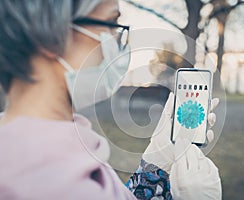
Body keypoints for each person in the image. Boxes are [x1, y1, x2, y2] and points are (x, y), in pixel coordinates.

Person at [0, 0, 221, 199]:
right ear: (48, 38)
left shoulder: (30, 146)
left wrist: (157, 163)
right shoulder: (48, 182)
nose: (118, 41)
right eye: (110, 23)